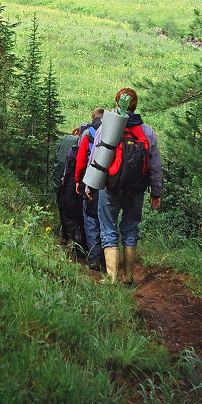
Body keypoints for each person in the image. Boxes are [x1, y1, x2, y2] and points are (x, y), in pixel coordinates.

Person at [90, 88, 162, 284]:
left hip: (110, 187)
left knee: (108, 228)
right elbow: (155, 165)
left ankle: (112, 278)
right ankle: (129, 276)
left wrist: (90, 186)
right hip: (136, 188)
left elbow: (95, 159)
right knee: (131, 228)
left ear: (117, 103)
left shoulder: (107, 127)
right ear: (136, 105)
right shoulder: (147, 132)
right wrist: (156, 191)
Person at [74, 108, 104, 270]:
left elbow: (80, 160)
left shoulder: (88, 134)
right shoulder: (111, 133)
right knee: (106, 220)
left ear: (92, 117)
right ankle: (107, 258)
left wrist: (78, 180)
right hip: (108, 183)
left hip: (91, 181)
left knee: (90, 218)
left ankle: (94, 259)